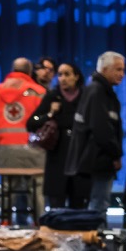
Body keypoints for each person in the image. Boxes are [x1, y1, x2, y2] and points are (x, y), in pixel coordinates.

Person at [0, 57, 47, 223]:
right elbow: (45, 124)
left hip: (6, 148)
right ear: (29, 71)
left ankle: (4, 224)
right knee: (37, 188)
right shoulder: (39, 92)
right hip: (34, 149)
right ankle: (39, 225)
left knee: (7, 188)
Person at [66, 51, 126, 216]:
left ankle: (92, 239)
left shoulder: (101, 90)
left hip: (96, 159)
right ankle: (92, 241)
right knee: (98, 206)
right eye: (118, 69)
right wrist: (115, 154)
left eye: (123, 70)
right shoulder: (97, 91)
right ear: (105, 69)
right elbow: (101, 129)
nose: (122, 74)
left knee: (98, 204)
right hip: (97, 160)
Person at [27, 61, 90, 210]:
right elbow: (32, 123)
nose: (62, 78)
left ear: (76, 76)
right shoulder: (52, 96)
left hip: (80, 156)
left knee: (79, 204)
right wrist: (50, 114)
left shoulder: (86, 96)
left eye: (67, 74)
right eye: (60, 74)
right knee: (56, 204)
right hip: (57, 156)